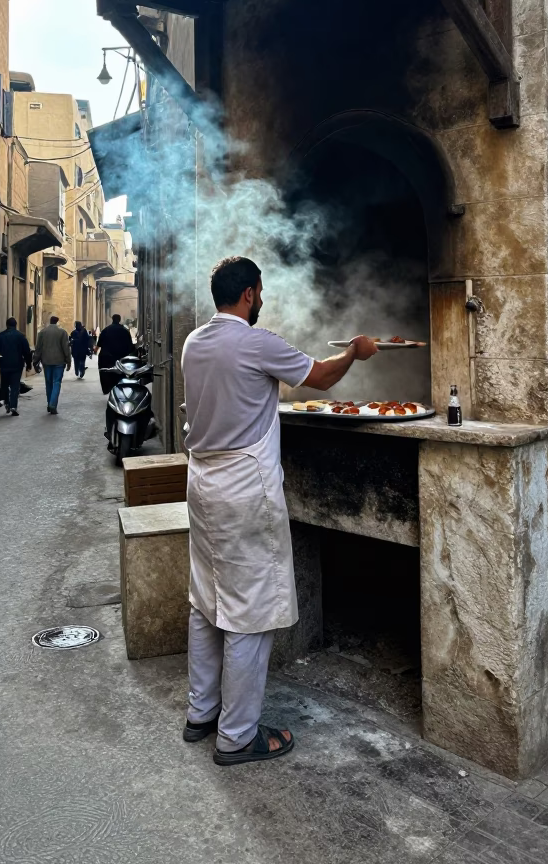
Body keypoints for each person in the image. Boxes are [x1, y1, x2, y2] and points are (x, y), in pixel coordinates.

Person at [180, 256, 376, 766]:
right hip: (244, 490)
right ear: (248, 294)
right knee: (249, 614)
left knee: (205, 600)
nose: (262, 300)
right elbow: (324, 377)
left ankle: (202, 714)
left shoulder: (193, 343)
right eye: (260, 293)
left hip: (201, 484)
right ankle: (237, 736)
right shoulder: (254, 342)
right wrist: (356, 351)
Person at [0, 317, 32, 416]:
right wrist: (29, 363)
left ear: (7, 325)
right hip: (17, 365)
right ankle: (13, 406)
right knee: (15, 386)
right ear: (15, 325)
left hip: (4, 366)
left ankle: (7, 403)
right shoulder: (21, 336)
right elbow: (26, 352)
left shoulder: (0, 336)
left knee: (5, 385)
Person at [34, 315, 71, 414]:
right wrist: (68, 361)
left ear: (50, 321)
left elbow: (38, 348)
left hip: (46, 361)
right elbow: (66, 348)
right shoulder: (62, 332)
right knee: (57, 382)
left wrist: (35, 361)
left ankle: (49, 403)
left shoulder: (42, 332)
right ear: (57, 322)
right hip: (59, 362)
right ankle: (53, 404)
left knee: (48, 383)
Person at [96, 314, 135, 394]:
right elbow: (130, 346)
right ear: (119, 320)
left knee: (107, 376)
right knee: (119, 376)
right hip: (120, 358)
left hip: (106, 358)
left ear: (112, 319)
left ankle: (109, 390)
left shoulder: (106, 330)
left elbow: (99, 344)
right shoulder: (124, 331)